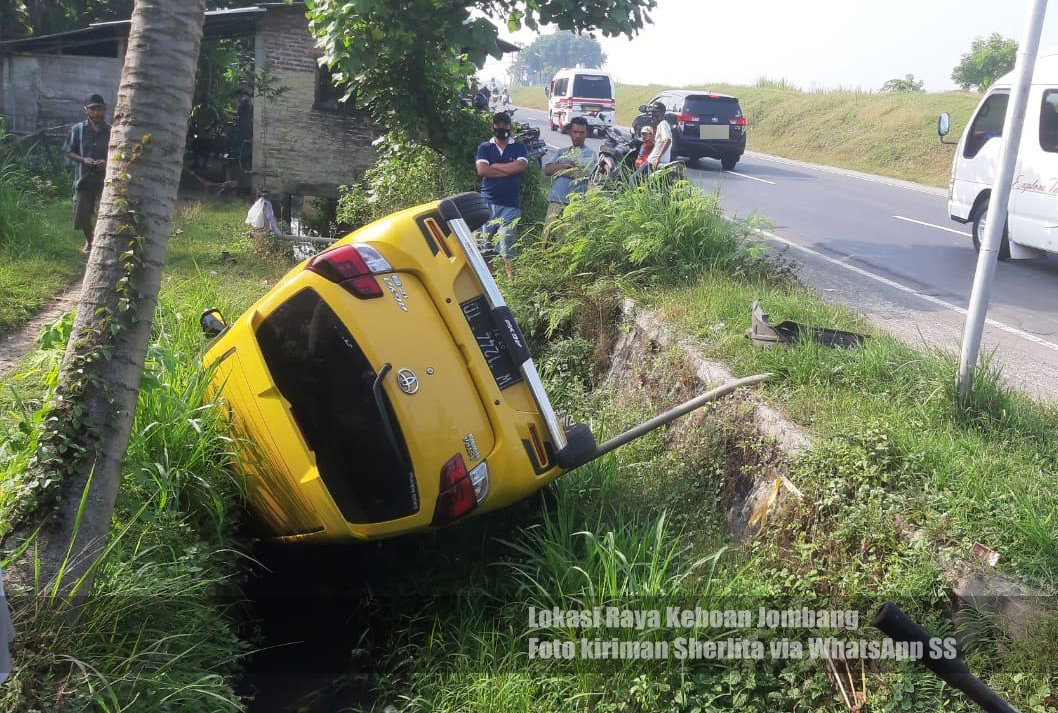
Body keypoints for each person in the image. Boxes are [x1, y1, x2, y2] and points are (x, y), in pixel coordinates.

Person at [475, 111, 529, 279]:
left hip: (510, 205)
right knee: (484, 246)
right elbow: (482, 170)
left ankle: (511, 282)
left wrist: (496, 166)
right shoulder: (484, 147)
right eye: (498, 128)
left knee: (507, 245)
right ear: (493, 128)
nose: (501, 131)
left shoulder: (518, 146)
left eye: (504, 128)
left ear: (509, 128)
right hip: (487, 203)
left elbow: (521, 166)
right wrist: (508, 169)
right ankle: (490, 283)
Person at [63, 93, 111, 254]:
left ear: (104, 111)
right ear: (86, 110)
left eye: (100, 109)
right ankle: (90, 242)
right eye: (93, 109)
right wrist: (83, 160)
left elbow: (118, 154)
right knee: (83, 214)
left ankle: (101, 244)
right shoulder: (77, 130)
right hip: (83, 179)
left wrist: (107, 163)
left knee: (104, 214)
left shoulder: (111, 131)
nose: (97, 113)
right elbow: (68, 151)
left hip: (105, 180)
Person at [543, 116, 597, 225]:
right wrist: (566, 165)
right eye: (575, 132)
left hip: (574, 205)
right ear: (570, 132)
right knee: (547, 238)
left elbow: (580, 173)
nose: (578, 136)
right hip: (555, 202)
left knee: (565, 239)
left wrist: (559, 169)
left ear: (586, 134)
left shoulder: (590, 154)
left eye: (581, 133)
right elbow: (547, 170)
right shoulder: (561, 152)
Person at [637, 101, 672, 177]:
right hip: (654, 160)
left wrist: (658, 158)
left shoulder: (663, 124)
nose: (653, 115)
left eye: (656, 113)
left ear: (662, 113)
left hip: (653, 161)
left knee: (633, 179)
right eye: (652, 113)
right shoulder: (661, 125)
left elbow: (668, 140)